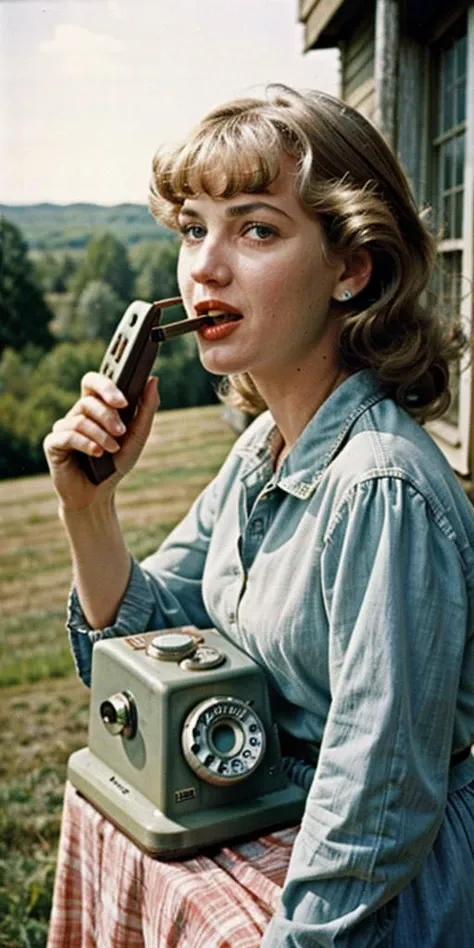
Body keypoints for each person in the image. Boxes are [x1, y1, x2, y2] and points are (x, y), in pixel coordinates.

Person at [44, 85, 474, 946]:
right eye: (193, 228)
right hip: (286, 814)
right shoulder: (264, 451)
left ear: (352, 267)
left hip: (385, 898)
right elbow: (149, 641)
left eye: (256, 229)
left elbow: (377, 807)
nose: (204, 266)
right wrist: (90, 512)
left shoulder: (378, 490)